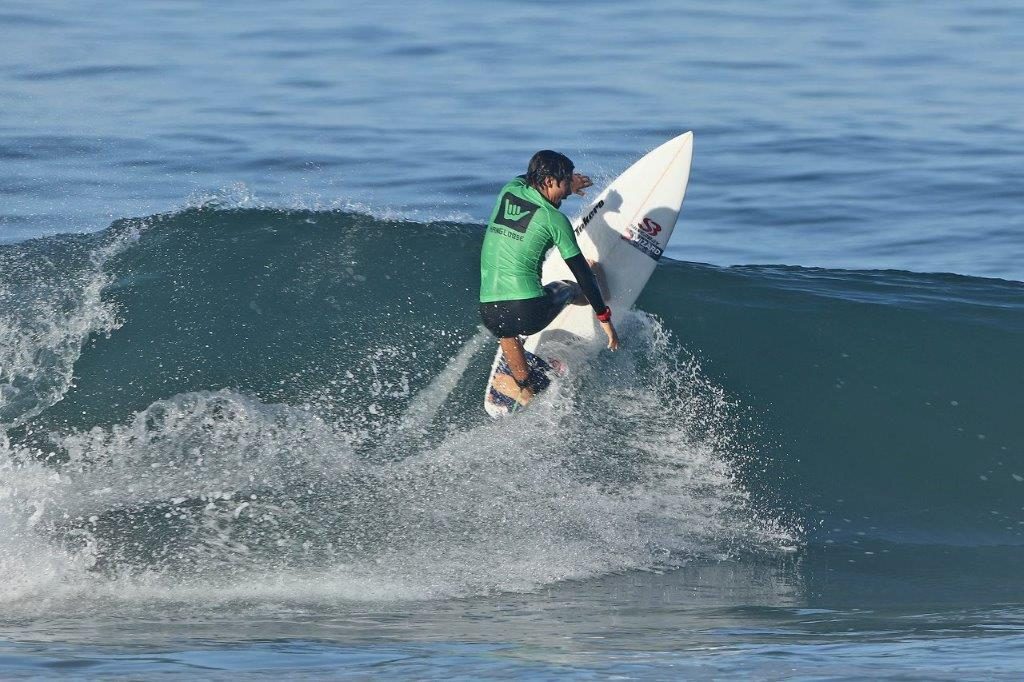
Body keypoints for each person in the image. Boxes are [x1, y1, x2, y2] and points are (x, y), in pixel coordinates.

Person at [479, 150, 619, 408]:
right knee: (566, 286)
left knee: (507, 331)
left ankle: (522, 389)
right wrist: (604, 318)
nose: (567, 191)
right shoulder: (555, 219)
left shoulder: (510, 189)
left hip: (490, 312)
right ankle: (600, 292)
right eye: (565, 182)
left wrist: (568, 180)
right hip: (528, 310)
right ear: (549, 180)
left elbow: (526, 176)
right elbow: (581, 272)